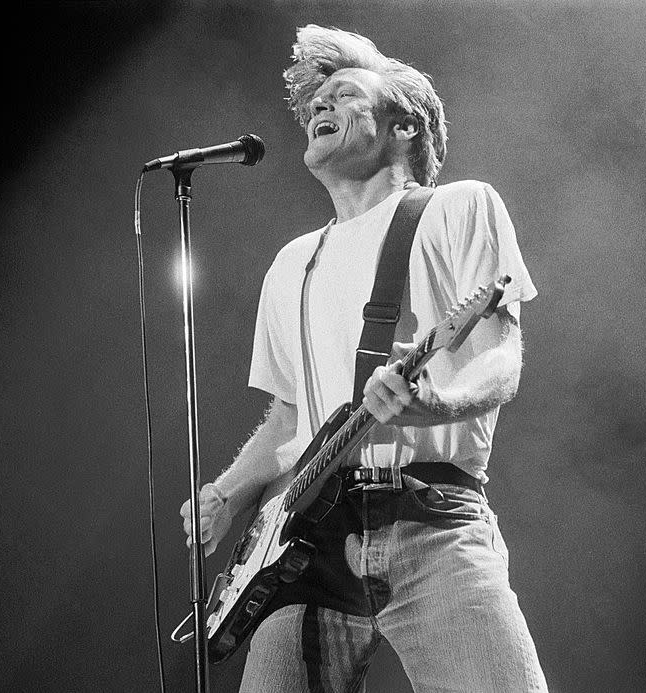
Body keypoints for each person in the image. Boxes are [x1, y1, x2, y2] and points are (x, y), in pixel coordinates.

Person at [180, 25, 548, 692]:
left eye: (345, 93)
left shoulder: (459, 207)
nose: (321, 105)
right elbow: (292, 419)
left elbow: (503, 359)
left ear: (403, 125)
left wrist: (438, 401)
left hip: (432, 520)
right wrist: (229, 493)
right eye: (317, 100)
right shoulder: (290, 263)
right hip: (304, 545)